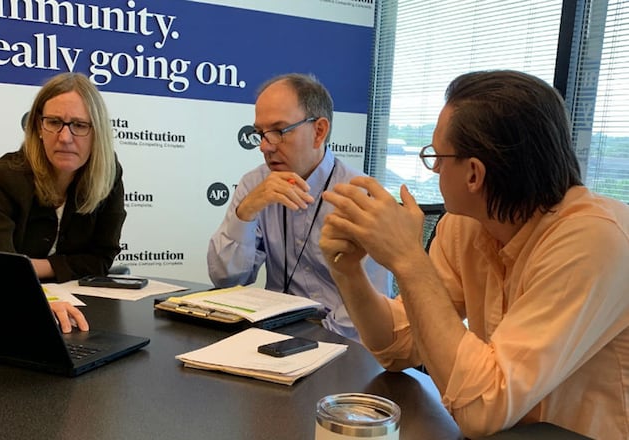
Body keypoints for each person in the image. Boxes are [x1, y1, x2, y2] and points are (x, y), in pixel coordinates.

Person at [320, 70, 629, 438]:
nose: (434, 168)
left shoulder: (592, 241)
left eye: (437, 156)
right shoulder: (465, 225)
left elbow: (483, 409)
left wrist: (408, 259)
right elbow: (398, 347)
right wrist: (348, 272)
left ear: (473, 174)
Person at [207, 73, 392, 340]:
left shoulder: (361, 196)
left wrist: (310, 342)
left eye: (278, 132)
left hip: (344, 343)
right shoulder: (254, 184)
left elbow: (371, 306)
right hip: (272, 335)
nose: (264, 146)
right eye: (260, 133)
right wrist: (245, 213)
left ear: (319, 131)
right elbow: (226, 281)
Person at [0, 72, 126, 334]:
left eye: (80, 125)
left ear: (97, 133)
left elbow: (101, 258)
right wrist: (44, 287)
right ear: (39, 127)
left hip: (74, 315)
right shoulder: (1, 178)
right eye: (54, 122)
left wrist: (32, 266)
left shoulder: (108, 174)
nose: (65, 137)